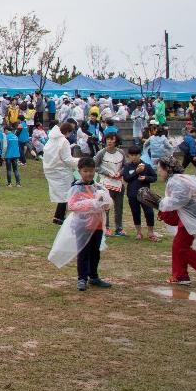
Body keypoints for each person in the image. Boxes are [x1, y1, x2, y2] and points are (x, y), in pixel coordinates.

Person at [150, 158, 196, 289]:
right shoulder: (178, 179)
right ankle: (181, 276)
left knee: (181, 248)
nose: (159, 172)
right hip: (189, 215)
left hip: (191, 216)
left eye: (160, 169)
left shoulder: (177, 181)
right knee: (178, 246)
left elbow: (180, 200)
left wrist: (161, 203)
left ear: (167, 169)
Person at [47, 157, 114, 292]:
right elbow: (72, 206)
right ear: (79, 171)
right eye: (85, 171)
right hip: (82, 226)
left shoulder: (98, 187)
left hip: (98, 225)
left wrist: (104, 202)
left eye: (91, 171)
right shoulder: (76, 188)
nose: (89, 174)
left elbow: (107, 204)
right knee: (83, 252)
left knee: (95, 252)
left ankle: (93, 276)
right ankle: (82, 278)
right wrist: (92, 204)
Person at [92, 132, 127, 237]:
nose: (110, 141)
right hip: (105, 183)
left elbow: (125, 166)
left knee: (119, 207)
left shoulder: (121, 152)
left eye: (112, 139)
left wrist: (119, 173)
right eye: (108, 139)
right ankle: (106, 228)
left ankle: (119, 228)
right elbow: (95, 166)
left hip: (119, 183)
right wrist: (108, 173)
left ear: (116, 140)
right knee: (106, 206)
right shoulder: (101, 153)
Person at [43, 122, 78, 225]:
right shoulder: (64, 141)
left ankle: (58, 217)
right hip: (62, 171)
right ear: (68, 132)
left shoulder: (52, 139)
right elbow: (67, 159)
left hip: (52, 169)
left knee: (63, 195)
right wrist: (80, 161)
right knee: (66, 195)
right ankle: (61, 218)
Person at [123, 143, 158, 241]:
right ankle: (138, 232)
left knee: (149, 212)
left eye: (136, 155)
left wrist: (146, 178)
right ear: (129, 155)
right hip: (132, 194)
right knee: (135, 212)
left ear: (140, 154)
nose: (134, 157)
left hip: (145, 194)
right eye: (132, 155)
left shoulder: (146, 166)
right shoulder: (127, 166)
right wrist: (136, 172)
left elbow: (154, 177)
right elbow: (126, 178)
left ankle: (150, 232)